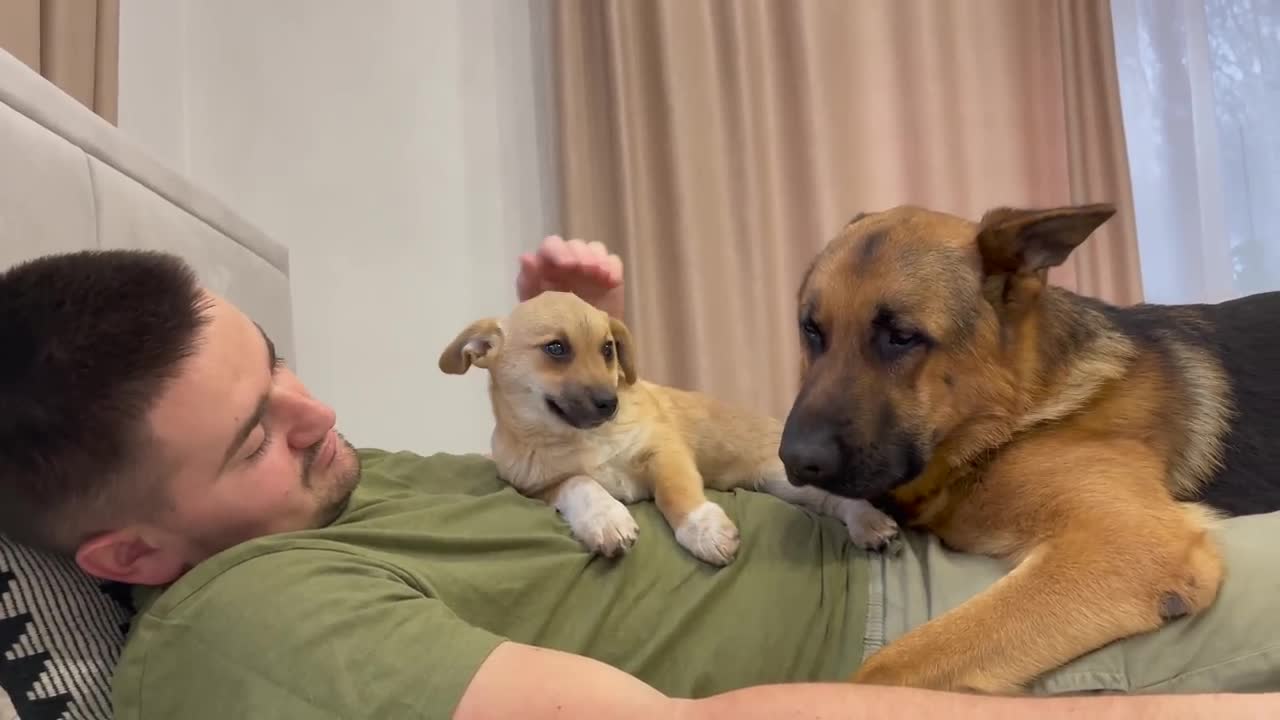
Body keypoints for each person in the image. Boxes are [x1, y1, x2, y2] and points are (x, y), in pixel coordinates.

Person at [1, 238, 1278, 720]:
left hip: (901, 541)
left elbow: (594, 481)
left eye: (278, 366)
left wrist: (561, 345)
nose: (316, 411)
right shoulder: (241, 626)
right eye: (252, 435)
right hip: (929, 631)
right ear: (125, 557)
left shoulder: (338, 485)